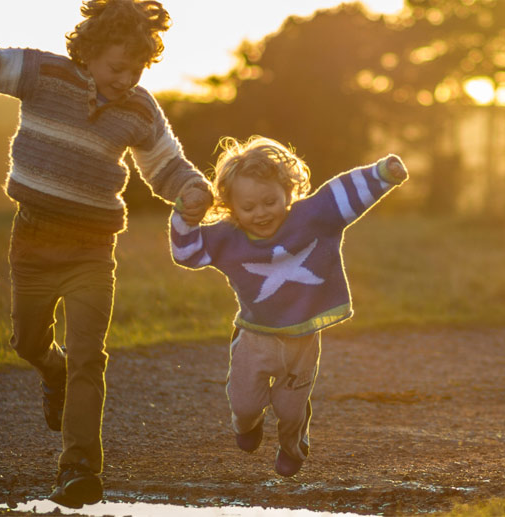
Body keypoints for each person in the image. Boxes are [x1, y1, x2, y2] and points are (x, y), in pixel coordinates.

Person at [0, 0, 212, 508]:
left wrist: (192, 188)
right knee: (28, 342)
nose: (127, 77)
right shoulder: (45, 73)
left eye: (137, 69)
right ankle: (52, 369)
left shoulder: (139, 107)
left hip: (93, 249)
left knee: (90, 356)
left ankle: (78, 470)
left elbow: (166, 166)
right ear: (88, 53)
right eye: (118, 67)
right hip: (33, 239)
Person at [169, 136, 408, 477]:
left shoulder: (311, 218)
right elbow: (186, 253)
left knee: (290, 409)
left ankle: (293, 445)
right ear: (232, 207)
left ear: (288, 192)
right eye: (248, 207)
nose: (261, 213)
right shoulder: (227, 237)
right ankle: (247, 425)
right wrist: (184, 215)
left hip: (303, 339)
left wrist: (383, 173)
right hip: (254, 337)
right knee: (244, 403)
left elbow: (341, 195)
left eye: (270, 201)